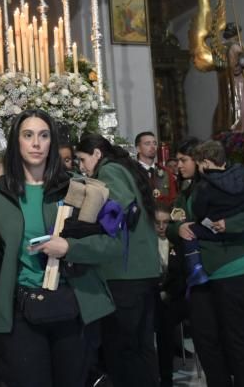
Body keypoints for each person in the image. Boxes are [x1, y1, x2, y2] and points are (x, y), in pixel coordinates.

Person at [0, 110, 120, 387]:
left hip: (71, 305)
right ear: (17, 142)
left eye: (44, 136)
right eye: (28, 135)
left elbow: (111, 246)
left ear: (52, 143)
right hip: (22, 310)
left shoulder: (76, 188)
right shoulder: (2, 193)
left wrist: (69, 247)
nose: (36, 143)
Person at [177, 140, 244, 387]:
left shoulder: (207, 188)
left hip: (230, 265)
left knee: (236, 337)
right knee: (207, 337)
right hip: (207, 272)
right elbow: (176, 219)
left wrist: (224, 225)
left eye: (185, 160)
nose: (180, 165)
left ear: (201, 162)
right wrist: (179, 227)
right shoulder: (201, 186)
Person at [76, 133, 161, 387]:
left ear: (97, 154)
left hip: (124, 272)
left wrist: (87, 223)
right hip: (143, 269)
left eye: (82, 159)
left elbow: (122, 207)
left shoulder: (109, 171)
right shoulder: (127, 168)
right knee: (142, 346)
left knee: (123, 350)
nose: (81, 166)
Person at [154, 207, 188, 387]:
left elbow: (182, 277)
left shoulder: (179, 243)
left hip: (175, 295)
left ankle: (165, 377)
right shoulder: (145, 244)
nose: (161, 227)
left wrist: (166, 292)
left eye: (165, 222)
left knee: (164, 321)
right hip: (152, 295)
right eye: (157, 223)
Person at [136, 131, 177, 211]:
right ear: (138, 148)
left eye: (154, 143)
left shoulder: (166, 172)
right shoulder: (132, 171)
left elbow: (173, 199)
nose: (152, 147)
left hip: (164, 218)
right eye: (147, 144)